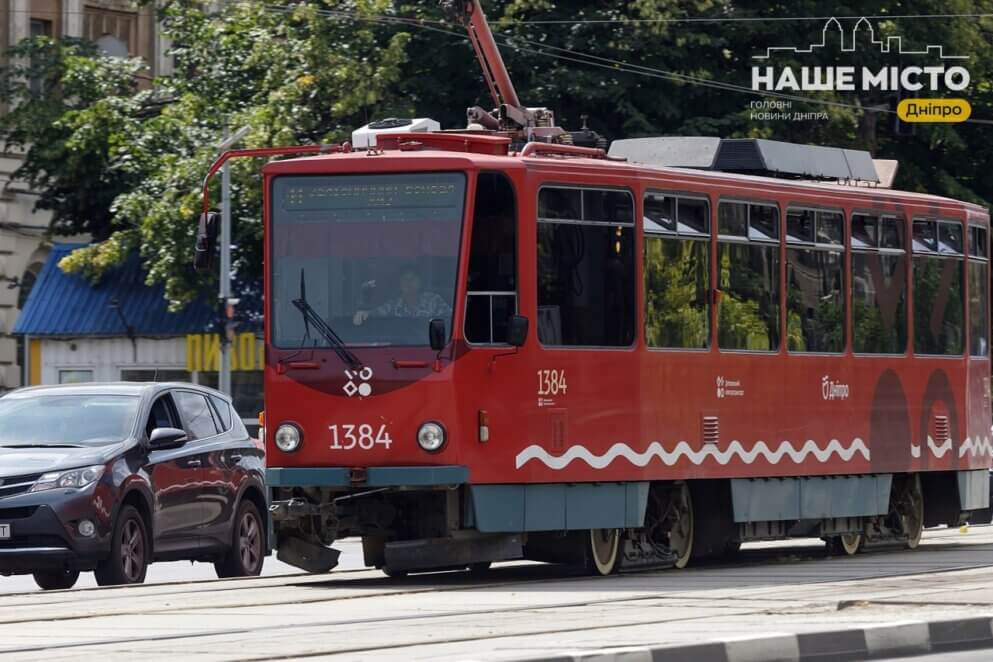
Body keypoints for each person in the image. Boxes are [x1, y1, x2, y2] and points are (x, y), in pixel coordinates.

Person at [353, 266, 451, 325]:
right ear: (399, 283)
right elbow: (371, 316)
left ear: (420, 282)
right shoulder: (393, 305)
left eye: (412, 279)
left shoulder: (434, 300)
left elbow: (452, 320)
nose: (408, 283)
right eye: (404, 279)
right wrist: (363, 312)